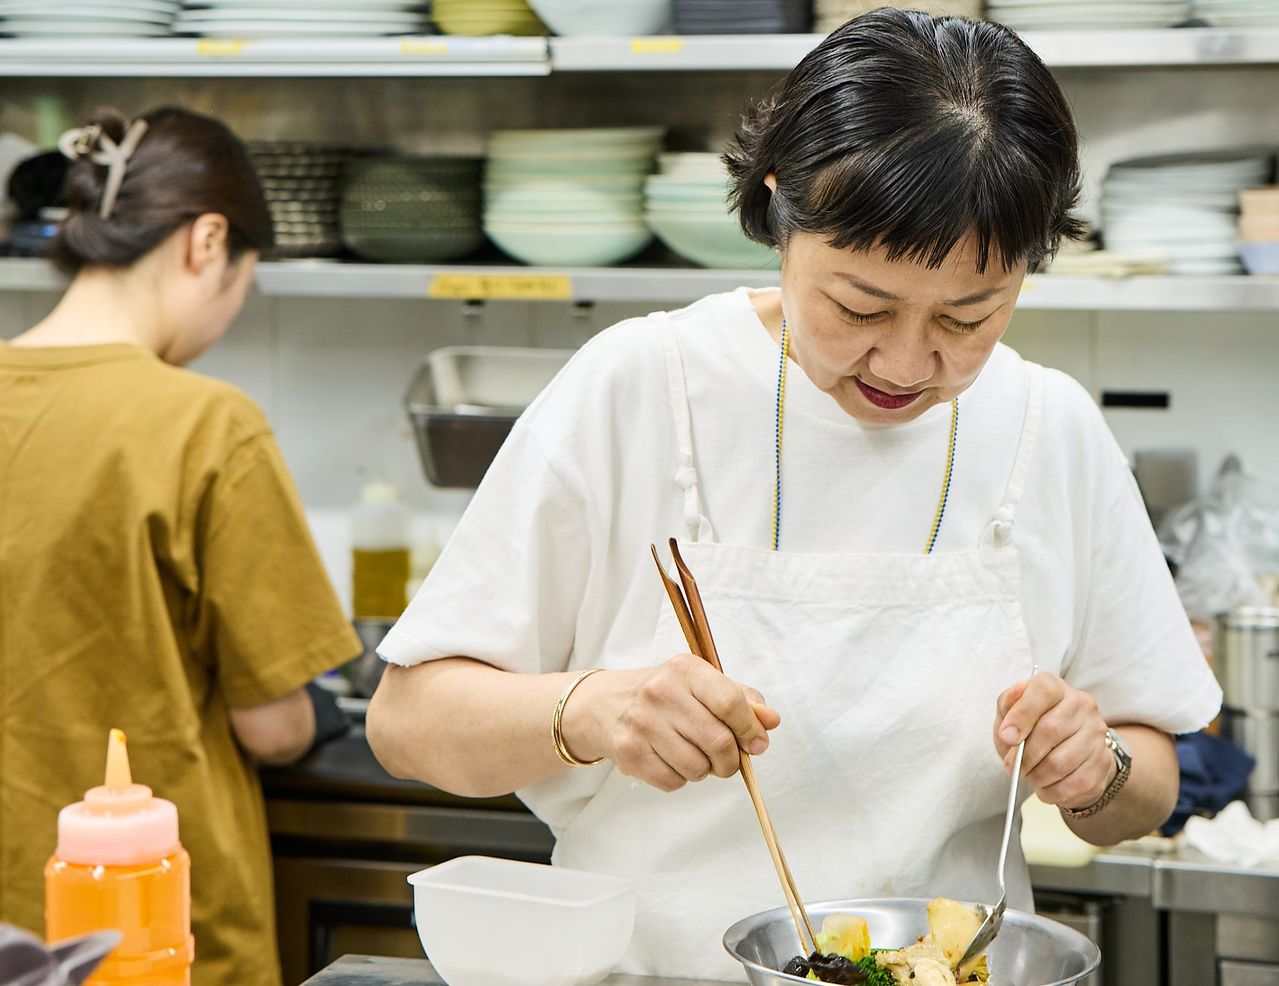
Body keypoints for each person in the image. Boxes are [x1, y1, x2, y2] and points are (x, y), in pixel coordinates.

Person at [367, 10, 1222, 981]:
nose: (905, 362)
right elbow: (408, 719)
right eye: (858, 305)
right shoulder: (641, 384)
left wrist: (1095, 763)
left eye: (967, 314)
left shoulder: (1048, 426)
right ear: (779, 209)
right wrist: (591, 708)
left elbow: (1146, 782)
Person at [0, 107, 361, 986]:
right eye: (245, 281)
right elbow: (272, 726)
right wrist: (327, 708)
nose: (230, 314)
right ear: (206, 242)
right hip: (152, 929)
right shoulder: (206, 424)